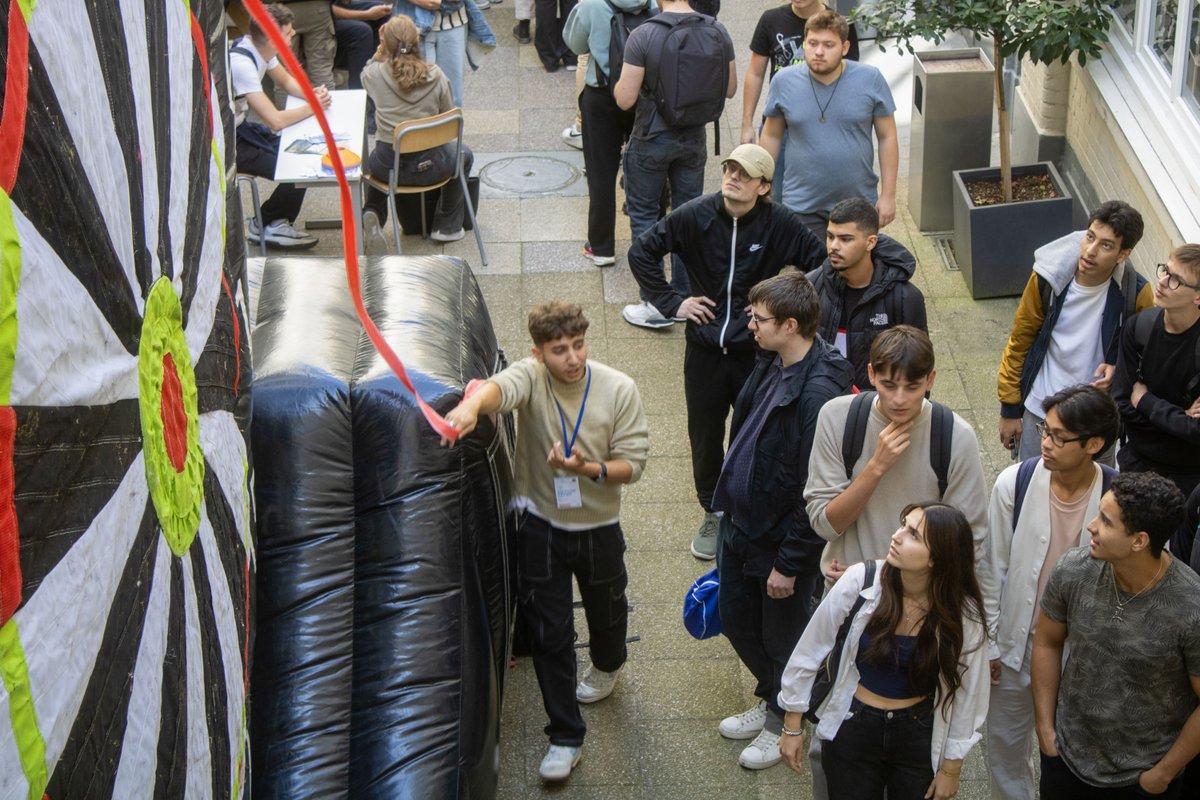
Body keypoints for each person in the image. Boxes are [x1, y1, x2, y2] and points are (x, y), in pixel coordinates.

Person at [442, 301, 649, 782]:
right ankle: (564, 736)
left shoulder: (619, 389)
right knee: (550, 632)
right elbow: (500, 388)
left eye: (578, 346)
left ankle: (607, 662)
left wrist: (586, 469)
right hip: (539, 525)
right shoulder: (531, 378)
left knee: (608, 611)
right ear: (539, 353)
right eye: (559, 350)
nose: (572, 358)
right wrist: (471, 406)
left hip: (598, 528)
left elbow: (633, 465)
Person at [625, 145, 826, 559]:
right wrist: (672, 301)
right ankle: (713, 510)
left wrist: (783, 307)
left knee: (757, 432)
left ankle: (752, 507)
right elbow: (641, 251)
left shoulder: (780, 224)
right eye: (729, 168)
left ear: (764, 186)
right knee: (704, 434)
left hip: (757, 354)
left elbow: (819, 265)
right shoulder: (695, 215)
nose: (733, 176)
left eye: (744, 173)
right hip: (704, 352)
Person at [712, 273, 853, 770]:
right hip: (742, 523)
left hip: (778, 542)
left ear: (790, 326)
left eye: (760, 318)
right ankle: (772, 696)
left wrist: (791, 564)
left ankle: (782, 719)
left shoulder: (817, 394)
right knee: (735, 617)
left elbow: (812, 492)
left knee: (784, 638)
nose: (750, 323)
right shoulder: (772, 358)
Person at [777, 503, 990, 800]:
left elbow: (970, 694)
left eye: (913, 534)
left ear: (937, 558)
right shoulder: (861, 581)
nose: (897, 536)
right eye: (903, 524)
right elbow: (811, 646)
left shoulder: (963, 615)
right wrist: (792, 723)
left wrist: (951, 768)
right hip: (854, 726)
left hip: (918, 733)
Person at [978, 384, 1120, 800]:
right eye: (1045, 431)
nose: (1046, 443)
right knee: (1004, 750)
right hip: (1016, 646)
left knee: (1071, 756)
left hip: (1086, 655)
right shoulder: (1015, 483)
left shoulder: (1120, 496)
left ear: (1094, 444)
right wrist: (988, 644)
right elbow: (992, 570)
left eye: (1059, 437)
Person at [1032, 472, 1200, 799]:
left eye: (1106, 522)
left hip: (1142, 780)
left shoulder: (1191, 607)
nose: (1092, 526)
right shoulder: (1073, 570)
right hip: (1065, 762)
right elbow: (1047, 642)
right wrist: (1045, 730)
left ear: (1139, 540)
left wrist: (1162, 774)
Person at [805, 325, 988, 586]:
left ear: (930, 379)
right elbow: (825, 525)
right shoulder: (836, 418)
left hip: (918, 602)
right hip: (847, 598)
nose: (899, 399)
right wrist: (876, 466)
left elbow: (967, 542)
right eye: (889, 385)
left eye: (912, 387)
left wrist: (872, 579)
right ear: (871, 374)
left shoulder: (956, 436)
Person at [997, 200, 1152, 462]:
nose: (1090, 251)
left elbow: (1145, 356)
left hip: (1095, 419)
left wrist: (1119, 370)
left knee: (1091, 498)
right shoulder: (1047, 279)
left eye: (1105, 245)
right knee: (1031, 490)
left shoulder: (1135, 293)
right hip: (1040, 409)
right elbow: (1020, 341)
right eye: (1090, 237)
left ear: (1123, 254)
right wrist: (1010, 409)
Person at [614, 0, 736, 314]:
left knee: (644, 216)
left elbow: (625, 99)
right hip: (694, 137)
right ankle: (684, 297)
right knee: (688, 216)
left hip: (651, 137)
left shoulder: (644, 34)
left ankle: (656, 303)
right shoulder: (717, 30)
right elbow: (731, 88)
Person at [759, 10, 896, 240]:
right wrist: (759, 186)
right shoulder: (783, 81)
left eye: (828, 45)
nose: (818, 52)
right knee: (809, 273)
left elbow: (887, 137)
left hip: (857, 202)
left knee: (856, 272)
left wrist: (888, 195)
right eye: (812, 43)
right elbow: (771, 136)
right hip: (801, 204)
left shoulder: (870, 79)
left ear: (844, 48)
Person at [360, 15, 475, 248]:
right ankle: (447, 226)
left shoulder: (375, 75)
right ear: (418, 40)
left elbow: (366, 71)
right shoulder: (436, 75)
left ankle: (373, 213)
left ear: (385, 43)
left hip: (389, 168)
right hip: (433, 166)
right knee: (464, 154)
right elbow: (449, 117)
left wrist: (381, 48)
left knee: (372, 165)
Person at [563, 0, 657, 267]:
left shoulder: (591, 4)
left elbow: (575, 45)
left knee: (600, 173)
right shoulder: (654, 3)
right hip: (644, 95)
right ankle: (652, 243)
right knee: (649, 171)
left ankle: (601, 247)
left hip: (601, 95)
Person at [230, 2, 329, 249]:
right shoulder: (241, 63)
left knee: (303, 153)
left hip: (241, 129)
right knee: (297, 165)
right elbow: (274, 120)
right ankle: (266, 222)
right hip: (228, 141)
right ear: (273, 39)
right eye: (288, 32)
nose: (294, 34)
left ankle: (273, 221)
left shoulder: (259, 48)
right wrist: (314, 107)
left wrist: (312, 93)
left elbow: (286, 81)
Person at [807, 197, 927, 391]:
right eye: (830, 237)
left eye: (846, 239)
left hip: (879, 410)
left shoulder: (906, 298)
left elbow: (918, 366)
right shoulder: (812, 285)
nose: (834, 246)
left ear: (870, 242)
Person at [1112, 245, 1200, 496]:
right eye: (1165, 271)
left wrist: (1146, 401)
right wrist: (1180, 416)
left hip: (1189, 478)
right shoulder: (1139, 327)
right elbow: (1122, 405)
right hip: (1137, 464)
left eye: (1176, 280)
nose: (1162, 282)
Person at [739, 0, 859, 183]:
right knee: (771, 192)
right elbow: (755, 73)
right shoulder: (771, 19)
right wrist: (747, 123)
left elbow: (849, 77)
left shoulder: (840, 25)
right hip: (780, 124)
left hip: (823, 127)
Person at [393, 0, 497, 109]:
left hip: (453, 24)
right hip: (413, 24)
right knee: (419, 95)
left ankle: (451, 125)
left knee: (452, 96)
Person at [278, 0, 338, 90]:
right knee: (321, 68)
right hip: (317, 9)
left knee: (284, 73)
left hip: (279, 9)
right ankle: (325, 102)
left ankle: (286, 104)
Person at [332, 1, 392, 89]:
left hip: (334, 6)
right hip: (320, 17)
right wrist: (366, 15)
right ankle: (360, 89)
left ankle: (376, 75)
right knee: (362, 32)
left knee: (382, 11)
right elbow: (328, 10)